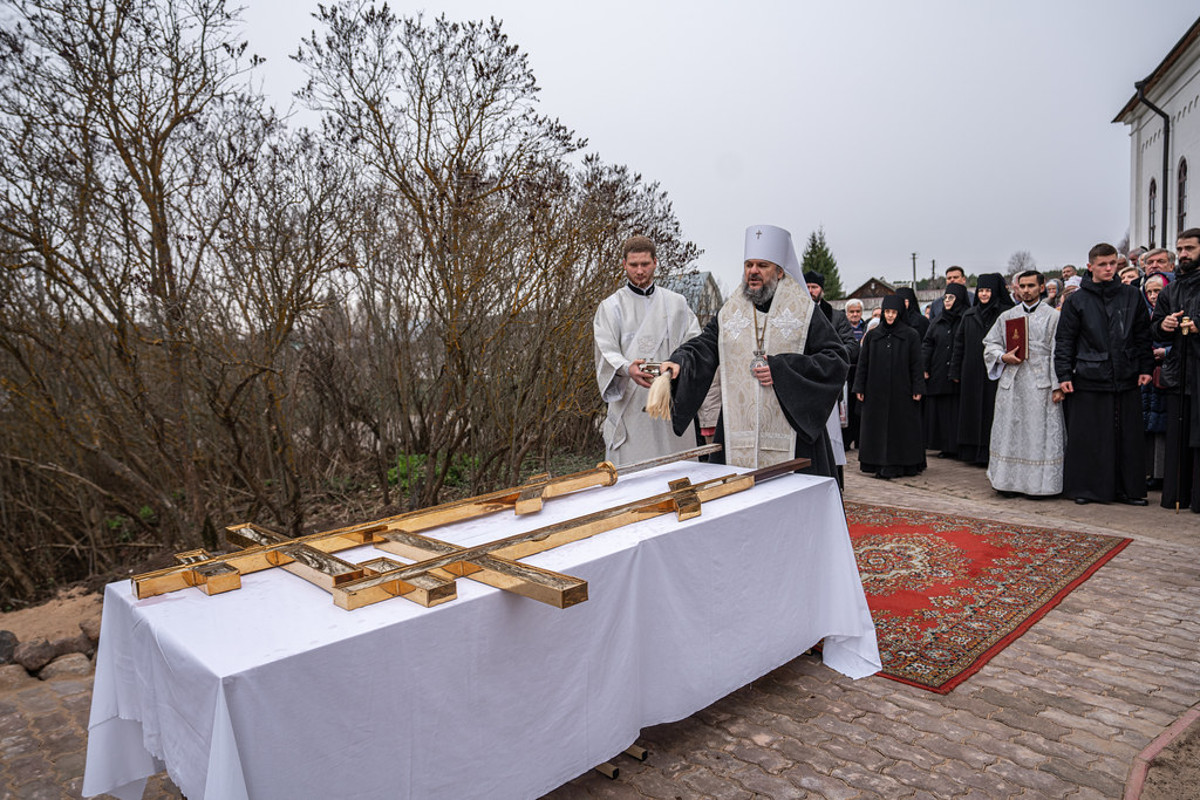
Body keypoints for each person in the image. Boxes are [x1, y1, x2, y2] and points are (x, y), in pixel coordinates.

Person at [660, 224, 849, 477]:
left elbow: (836, 359)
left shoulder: (804, 313)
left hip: (794, 437)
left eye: (762, 265)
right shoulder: (730, 312)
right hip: (738, 431)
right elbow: (705, 345)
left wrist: (783, 371)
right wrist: (680, 361)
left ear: (780, 271)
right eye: (749, 265)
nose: (753, 272)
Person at [1055, 243, 1154, 505]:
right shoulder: (1076, 300)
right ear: (1090, 267)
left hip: (1126, 373)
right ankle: (1086, 489)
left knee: (1128, 436)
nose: (1109, 268)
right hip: (1089, 376)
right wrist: (1064, 374)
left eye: (1112, 263)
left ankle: (1128, 490)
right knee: (1089, 436)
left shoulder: (1131, 296)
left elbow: (1142, 334)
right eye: (1102, 264)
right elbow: (1065, 340)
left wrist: (1146, 367)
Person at [593, 236, 701, 466]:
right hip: (631, 403)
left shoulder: (677, 304)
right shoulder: (611, 307)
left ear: (655, 262)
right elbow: (606, 350)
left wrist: (679, 365)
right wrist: (626, 367)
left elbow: (695, 344)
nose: (639, 271)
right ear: (624, 265)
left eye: (645, 264)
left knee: (676, 471)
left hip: (671, 401)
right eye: (633, 265)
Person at [984, 270, 1065, 496]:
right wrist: (1002, 357)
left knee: (1039, 432)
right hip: (1013, 380)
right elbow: (990, 344)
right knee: (1011, 428)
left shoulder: (1053, 316)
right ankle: (1007, 482)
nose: (1026, 290)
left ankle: (1040, 486)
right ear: (1017, 288)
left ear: (1041, 287)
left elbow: (1059, 352)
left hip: (1041, 384)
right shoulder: (1007, 316)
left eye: (1031, 286)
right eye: (1023, 286)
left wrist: (1057, 385)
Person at [1150, 228, 1200, 512]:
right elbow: (1155, 328)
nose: (1183, 254)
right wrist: (1164, 325)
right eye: (1180, 249)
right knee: (1178, 436)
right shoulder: (1171, 289)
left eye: (1190, 249)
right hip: (1179, 372)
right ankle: (1176, 493)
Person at [853, 295, 925, 479]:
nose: (890, 316)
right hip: (875, 391)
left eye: (894, 312)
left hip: (903, 391)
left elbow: (917, 364)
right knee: (877, 428)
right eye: (887, 312)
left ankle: (903, 464)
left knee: (901, 428)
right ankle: (876, 463)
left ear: (900, 313)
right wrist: (859, 387)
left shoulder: (911, 335)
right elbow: (863, 363)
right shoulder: (873, 335)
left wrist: (918, 388)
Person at [950, 273, 1013, 466]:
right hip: (971, 369)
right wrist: (955, 369)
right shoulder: (969, 314)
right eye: (981, 291)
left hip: (996, 369)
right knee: (972, 411)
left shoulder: (1006, 312)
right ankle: (972, 451)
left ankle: (990, 451)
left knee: (991, 411)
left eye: (988, 290)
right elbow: (959, 343)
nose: (984, 294)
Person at [805, 270, 859, 487]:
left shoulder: (836, 317)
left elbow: (852, 346)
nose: (810, 291)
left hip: (826, 386)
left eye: (814, 287)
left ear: (822, 290)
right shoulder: (791, 314)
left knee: (830, 438)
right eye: (806, 286)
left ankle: (833, 482)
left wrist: (829, 360)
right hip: (800, 385)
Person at [922, 283, 969, 457]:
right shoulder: (937, 320)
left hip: (958, 374)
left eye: (951, 298)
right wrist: (924, 367)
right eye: (945, 298)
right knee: (940, 412)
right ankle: (944, 446)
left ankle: (957, 446)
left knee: (956, 411)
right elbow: (927, 345)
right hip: (939, 372)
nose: (947, 301)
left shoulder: (965, 317)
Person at [1142, 273, 1169, 492]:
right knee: (1148, 425)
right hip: (1148, 374)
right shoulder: (1145, 313)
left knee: (1163, 428)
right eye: (1149, 291)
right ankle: (1149, 471)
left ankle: (1162, 473)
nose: (1152, 296)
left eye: (1157, 291)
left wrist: (1166, 352)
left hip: (1167, 373)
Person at [843, 299, 868, 450]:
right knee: (847, 409)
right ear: (846, 313)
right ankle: (846, 442)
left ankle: (860, 440)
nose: (855, 314)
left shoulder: (867, 327)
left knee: (859, 409)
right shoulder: (843, 328)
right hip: (847, 372)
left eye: (857, 311)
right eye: (852, 312)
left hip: (861, 371)